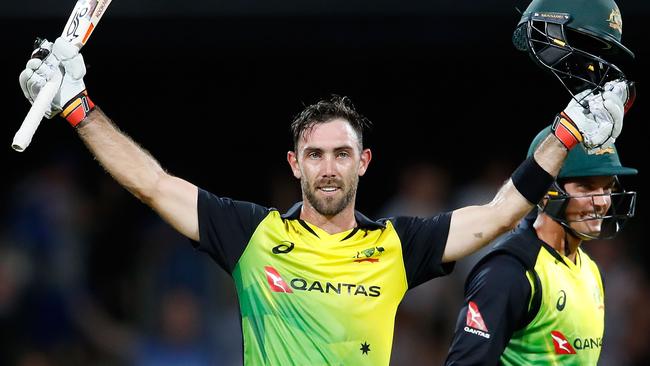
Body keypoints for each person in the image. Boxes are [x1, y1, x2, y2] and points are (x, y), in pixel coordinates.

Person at [18, 35, 630, 365]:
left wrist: (565, 133)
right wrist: (78, 109)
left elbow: (500, 214)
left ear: (363, 163)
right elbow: (152, 184)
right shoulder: (252, 235)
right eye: (315, 155)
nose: (328, 168)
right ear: (295, 165)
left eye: (342, 154)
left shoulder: (396, 245)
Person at [445, 125, 637, 365]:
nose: (602, 201)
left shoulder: (592, 272)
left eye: (608, 187)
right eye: (586, 187)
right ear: (546, 192)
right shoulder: (508, 272)